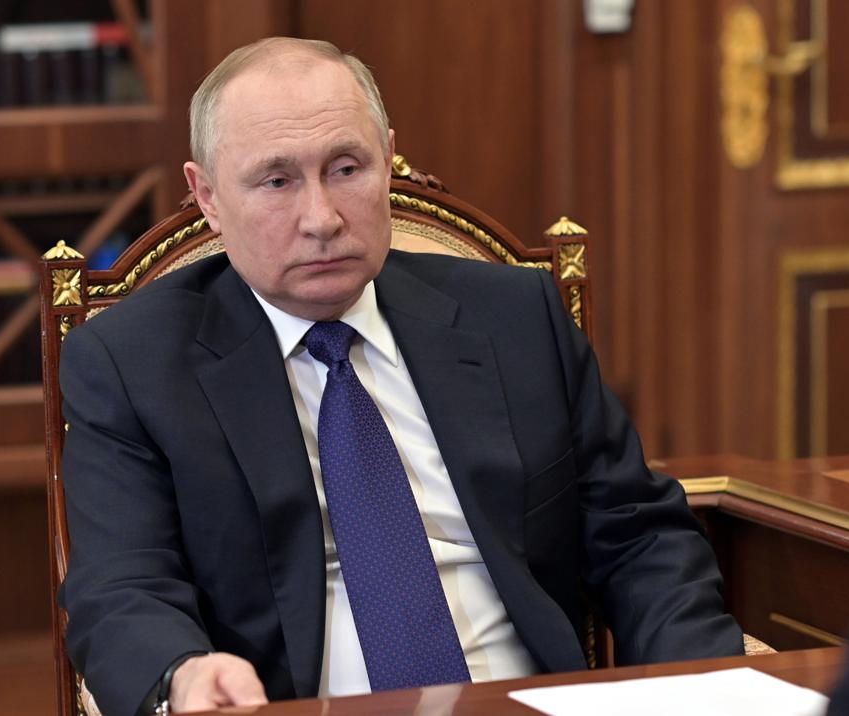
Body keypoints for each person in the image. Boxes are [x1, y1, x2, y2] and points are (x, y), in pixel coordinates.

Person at [58, 37, 744, 716]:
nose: (322, 218)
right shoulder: (132, 363)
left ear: (389, 161)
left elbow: (637, 532)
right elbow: (120, 588)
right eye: (276, 181)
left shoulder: (512, 317)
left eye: (347, 168)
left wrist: (709, 688)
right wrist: (182, 674)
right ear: (206, 196)